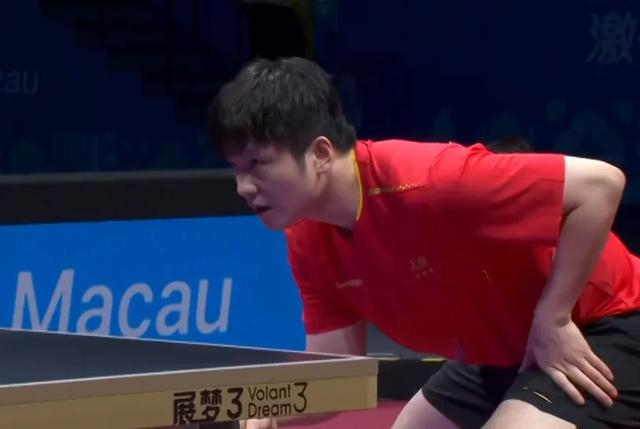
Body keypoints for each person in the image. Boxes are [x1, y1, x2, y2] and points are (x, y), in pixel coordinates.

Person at [207, 57, 640, 428]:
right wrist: (268, 407)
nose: (244, 186)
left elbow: (600, 185)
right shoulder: (306, 236)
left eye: (258, 164)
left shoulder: (431, 181)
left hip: (603, 322)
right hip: (504, 348)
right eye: (236, 168)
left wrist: (554, 317)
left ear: (320, 154)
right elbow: (333, 376)